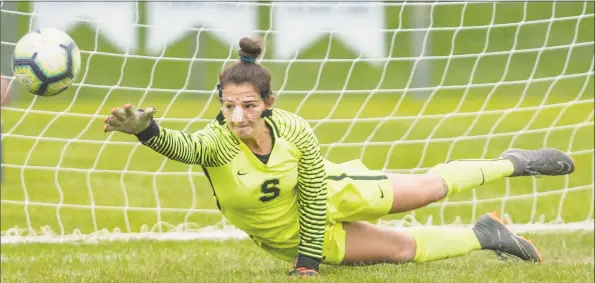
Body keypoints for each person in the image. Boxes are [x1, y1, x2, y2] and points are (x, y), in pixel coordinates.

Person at [103, 37, 575, 277]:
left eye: (248, 105)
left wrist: (309, 261)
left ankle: (515, 162)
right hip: (282, 234)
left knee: (427, 191)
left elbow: (311, 192)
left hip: (332, 192)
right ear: (220, 102)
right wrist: (146, 130)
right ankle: (485, 234)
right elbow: (180, 146)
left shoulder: (295, 130)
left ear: (268, 102)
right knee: (401, 251)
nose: (238, 116)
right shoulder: (215, 139)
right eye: (229, 106)